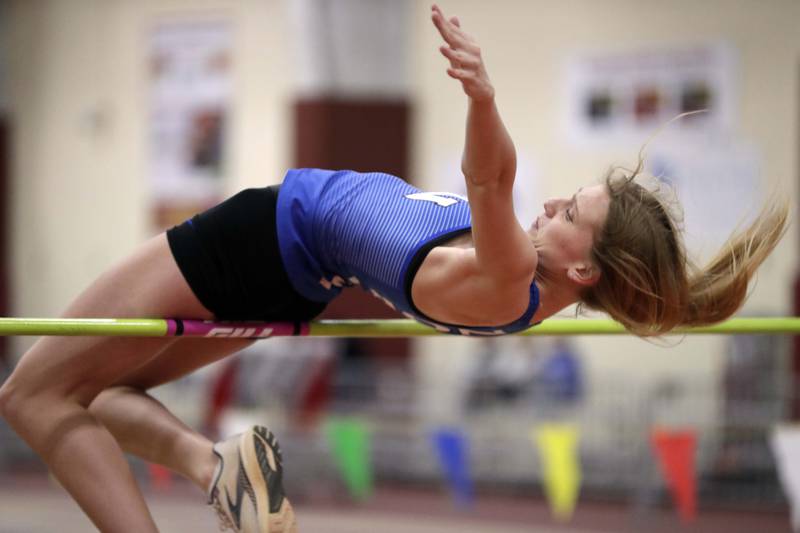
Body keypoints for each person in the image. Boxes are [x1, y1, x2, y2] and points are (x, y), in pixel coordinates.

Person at [0, 4, 787, 533]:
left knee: (29, 393)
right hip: (301, 279)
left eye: (570, 214)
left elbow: (491, 176)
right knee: (98, 393)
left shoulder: (514, 273)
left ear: (586, 268)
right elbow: (500, 190)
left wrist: (481, 97)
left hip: (267, 234)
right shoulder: (530, 292)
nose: (551, 207)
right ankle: (217, 465)